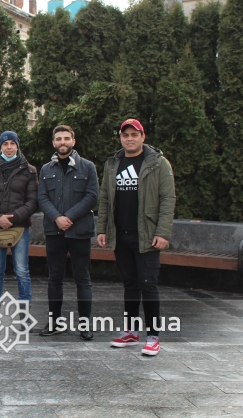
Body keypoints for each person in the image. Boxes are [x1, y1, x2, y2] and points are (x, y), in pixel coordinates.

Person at [98, 119, 175, 357]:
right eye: (125, 135)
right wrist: (102, 229)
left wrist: (162, 232)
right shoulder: (113, 163)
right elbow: (104, 199)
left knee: (147, 284)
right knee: (130, 284)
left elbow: (167, 199)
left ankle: (153, 335)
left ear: (143, 136)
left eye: (134, 134)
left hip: (147, 235)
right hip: (121, 235)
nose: (129, 138)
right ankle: (130, 331)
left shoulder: (158, 163)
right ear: (120, 137)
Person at [37, 126, 99, 340]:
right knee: (55, 278)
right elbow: (42, 198)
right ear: (53, 142)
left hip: (80, 231)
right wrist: (57, 218)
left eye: (66, 138)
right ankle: (54, 322)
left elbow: (92, 196)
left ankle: (85, 324)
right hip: (54, 231)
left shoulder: (88, 167)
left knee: (83, 278)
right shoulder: (46, 169)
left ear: (73, 140)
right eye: (58, 139)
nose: (62, 142)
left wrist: (68, 217)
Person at [0, 131, 38, 303]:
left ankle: (24, 315)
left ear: (17, 145)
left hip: (20, 227)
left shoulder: (29, 170)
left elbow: (33, 201)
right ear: (0, 147)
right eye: (5, 144)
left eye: (12, 143)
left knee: (22, 271)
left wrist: (15, 217)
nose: (9, 147)